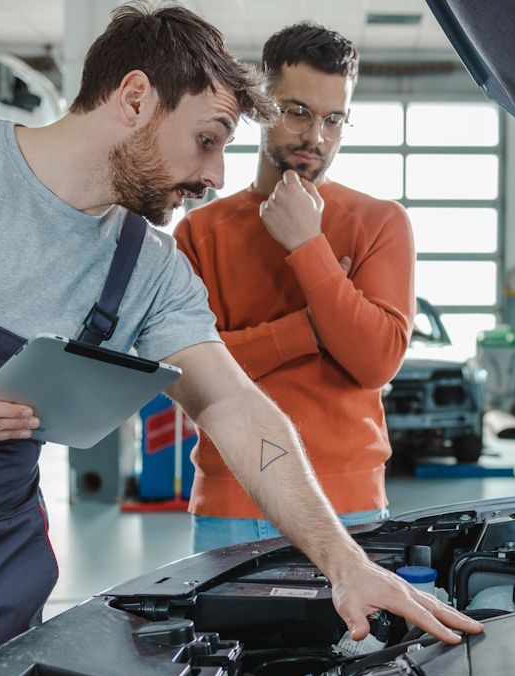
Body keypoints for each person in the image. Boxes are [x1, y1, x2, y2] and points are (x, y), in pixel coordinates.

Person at [0, 4, 480, 676]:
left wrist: (343, 559)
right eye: (207, 139)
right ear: (133, 99)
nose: (216, 176)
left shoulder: (149, 268)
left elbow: (233, 405)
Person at [175, 23, 414, 552]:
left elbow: (375, 360)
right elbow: (191, 378)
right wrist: (312, 328)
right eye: (298, 111)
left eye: (334, 119)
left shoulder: (380, 222)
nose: (316, 137)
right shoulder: (199, 232)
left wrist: (307, 244)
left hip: (351, 507)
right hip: (231, 505)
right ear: (261, 105)